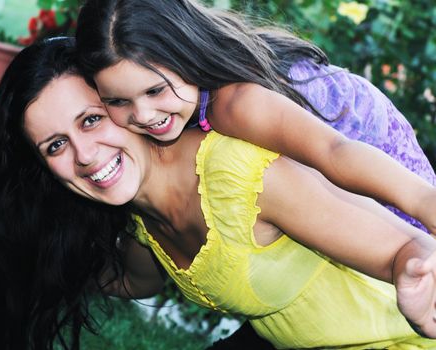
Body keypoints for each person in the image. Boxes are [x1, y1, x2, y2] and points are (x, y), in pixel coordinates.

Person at [0, 37, 436, 350]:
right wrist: (34, 259)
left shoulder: (239, 175)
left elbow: (400, 246)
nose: (84, 155)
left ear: (124, 106)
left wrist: (412, 265)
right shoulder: (144, 212)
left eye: (92, 120)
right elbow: (137, 279)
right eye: (56, 145)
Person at [75, 0, 436, 234]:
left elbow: (334, 151)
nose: (143, 114)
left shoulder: (233, 104)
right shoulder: (195, 90)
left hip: (379, 169)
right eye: (118, 101)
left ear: (187, 54)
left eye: (155, 90)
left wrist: (423, 203)